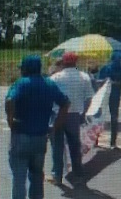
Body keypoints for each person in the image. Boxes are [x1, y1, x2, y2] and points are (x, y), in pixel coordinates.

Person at [5, 55, 70, 199]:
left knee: (19, 179)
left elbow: (10, 100)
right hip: (40, 137)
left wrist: (10, 120)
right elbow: (65, 103)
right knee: (37, 175)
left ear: (26, 69)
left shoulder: (21, 83)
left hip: (21, 135)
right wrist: (54, 126)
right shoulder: (49, 84)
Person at [48, 52, 94, 186]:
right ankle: (78, 172)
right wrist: (83, 113)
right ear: (76, 62)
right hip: (75, 114)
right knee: (75, 145)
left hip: (58, 115)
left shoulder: (55, 77)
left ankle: (57, 175)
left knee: (57, 146)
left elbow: (50, 98)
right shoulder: (84, 77)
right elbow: (89, 98)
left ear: (63, 62)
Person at [98, 51, 121, 149]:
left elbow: (99, 81)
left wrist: (107, 82)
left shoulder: (105, 68)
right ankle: (113, 142)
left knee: (99, 116)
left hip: (103, 95)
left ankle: (95, 140)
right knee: (114, 117)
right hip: (115, 94)